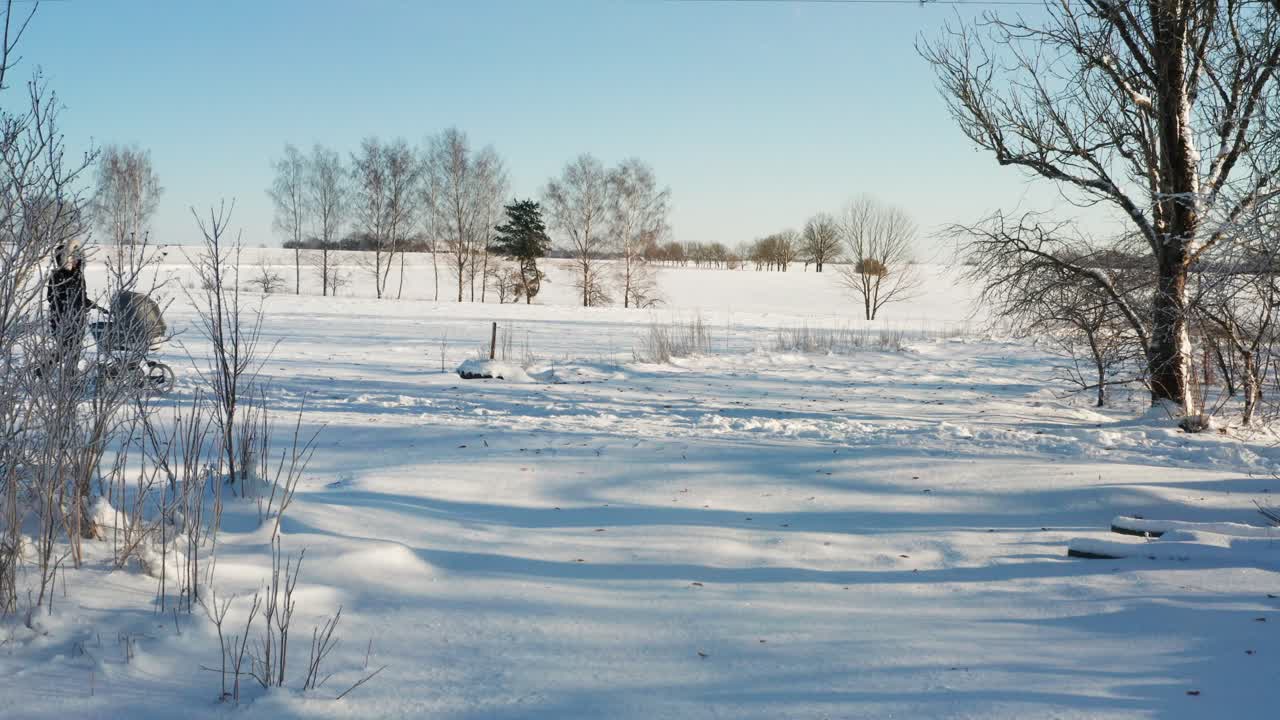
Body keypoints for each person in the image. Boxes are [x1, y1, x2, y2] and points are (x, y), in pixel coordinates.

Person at [45, 242, 93, 371]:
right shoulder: (57, 276)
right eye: (73, 258)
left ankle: (68, 375)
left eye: (78, 258)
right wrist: (66, 300)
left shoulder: (79, 276)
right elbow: (50, 297)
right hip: (60, 319)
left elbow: (82, 296)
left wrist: (89, 303)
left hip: (77, 319)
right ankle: (46, 370)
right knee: (66, 348)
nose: (76, 261)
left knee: (75, 349)